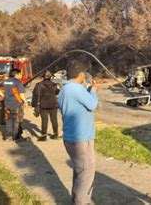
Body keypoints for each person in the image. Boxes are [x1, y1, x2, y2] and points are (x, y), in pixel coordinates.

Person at [58, 60, 98, 205]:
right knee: (86, 173)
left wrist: (88, 91)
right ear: (81, 74)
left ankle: (77, 199)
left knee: (79, 171)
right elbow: (92, 105)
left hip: (71, 137)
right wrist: (93, 91)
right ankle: (82, 202)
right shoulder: (76, 88)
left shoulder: (65, 89)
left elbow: (80, 103)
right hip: (81, 138)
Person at [0, 69, 27, 141]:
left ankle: (8, 136)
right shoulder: (17, 82)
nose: (20, 76)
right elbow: (22, 94)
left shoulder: (5, 81)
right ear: (16, 75)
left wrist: (3, 96)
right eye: (20, 74)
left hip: (7, 104)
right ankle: (16, 137)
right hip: (17, 105)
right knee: (17, 120)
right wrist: (25, 102)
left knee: (8, 120)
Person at [32, 71, 60, 141]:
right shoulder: (55, 85)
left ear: (43, 77)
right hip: (53, 104)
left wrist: (34, 105)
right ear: (50, 77)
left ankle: (44, 136)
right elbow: (57, 92)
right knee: (54, 120)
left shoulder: (38, 85)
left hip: (43, 105)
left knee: (44, 120)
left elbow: (35, 95)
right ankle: (55, 134)